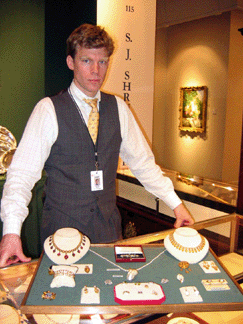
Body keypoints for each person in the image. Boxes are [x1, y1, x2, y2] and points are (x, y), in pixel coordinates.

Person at [0, 24, 194, 268]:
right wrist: (11, 232)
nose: (96, 71)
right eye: (86, 61)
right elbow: (21, 175)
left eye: (102, 62)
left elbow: (143, 164)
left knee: (109, 296)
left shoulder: (119, 109)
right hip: (61, 234)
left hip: (108, 230)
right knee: (64, 299)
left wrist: (176, 205)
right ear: (71, 62)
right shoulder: (48, 110)